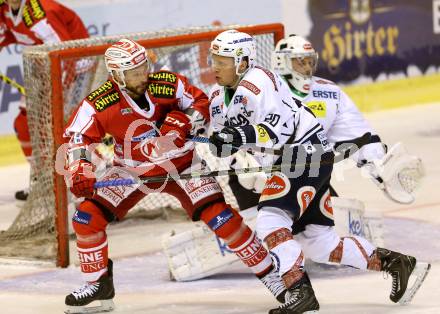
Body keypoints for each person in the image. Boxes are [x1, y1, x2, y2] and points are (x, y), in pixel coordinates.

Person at [207, 30, 430, 313]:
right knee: (319, 243)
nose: (215, 66)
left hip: (304, 154)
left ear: (242, 61)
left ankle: (300, 294)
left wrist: (238, 136)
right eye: (214, 59)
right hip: (297, 160)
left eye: (223, 60)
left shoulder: (260, 82)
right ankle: (397, 263)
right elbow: (230, 139)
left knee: (270, 222)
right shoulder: (217, 97)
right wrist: (224, 146)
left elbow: (278, 130)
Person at [62, 38, 286, 314]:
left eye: (144, 68)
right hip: (132, 169)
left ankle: (278, 281)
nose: (143, 76)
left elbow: (201, 102)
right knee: (86, 218)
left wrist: (186, 121)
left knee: (223, 220)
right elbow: (76, 139)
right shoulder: (99, 102)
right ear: (117, 76)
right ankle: (98, 284)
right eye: (134, 73)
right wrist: (79, 168)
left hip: (183, 166)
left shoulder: (167, 83)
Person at [0, 0, 89, 200]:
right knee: (24, 122)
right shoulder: (5, 9)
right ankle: (43, 179)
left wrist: (59, 94)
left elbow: (66, 55)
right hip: (44, 67)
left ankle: (88, 177)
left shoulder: (40, 14)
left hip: (76, 68)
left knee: (71, 127)